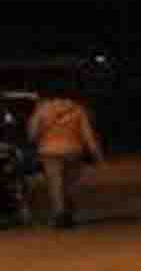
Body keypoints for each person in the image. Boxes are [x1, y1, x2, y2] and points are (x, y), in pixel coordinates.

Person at [29, 89, 104, 227]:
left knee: (55, 184)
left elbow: (32, 134)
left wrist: (38, 138)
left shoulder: (42, 110)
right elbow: (87, 135)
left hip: (49, 151)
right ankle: (67, 213)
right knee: (69, 184)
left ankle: (59, 214)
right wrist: (96, 153)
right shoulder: (78, 109)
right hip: (73, 151)